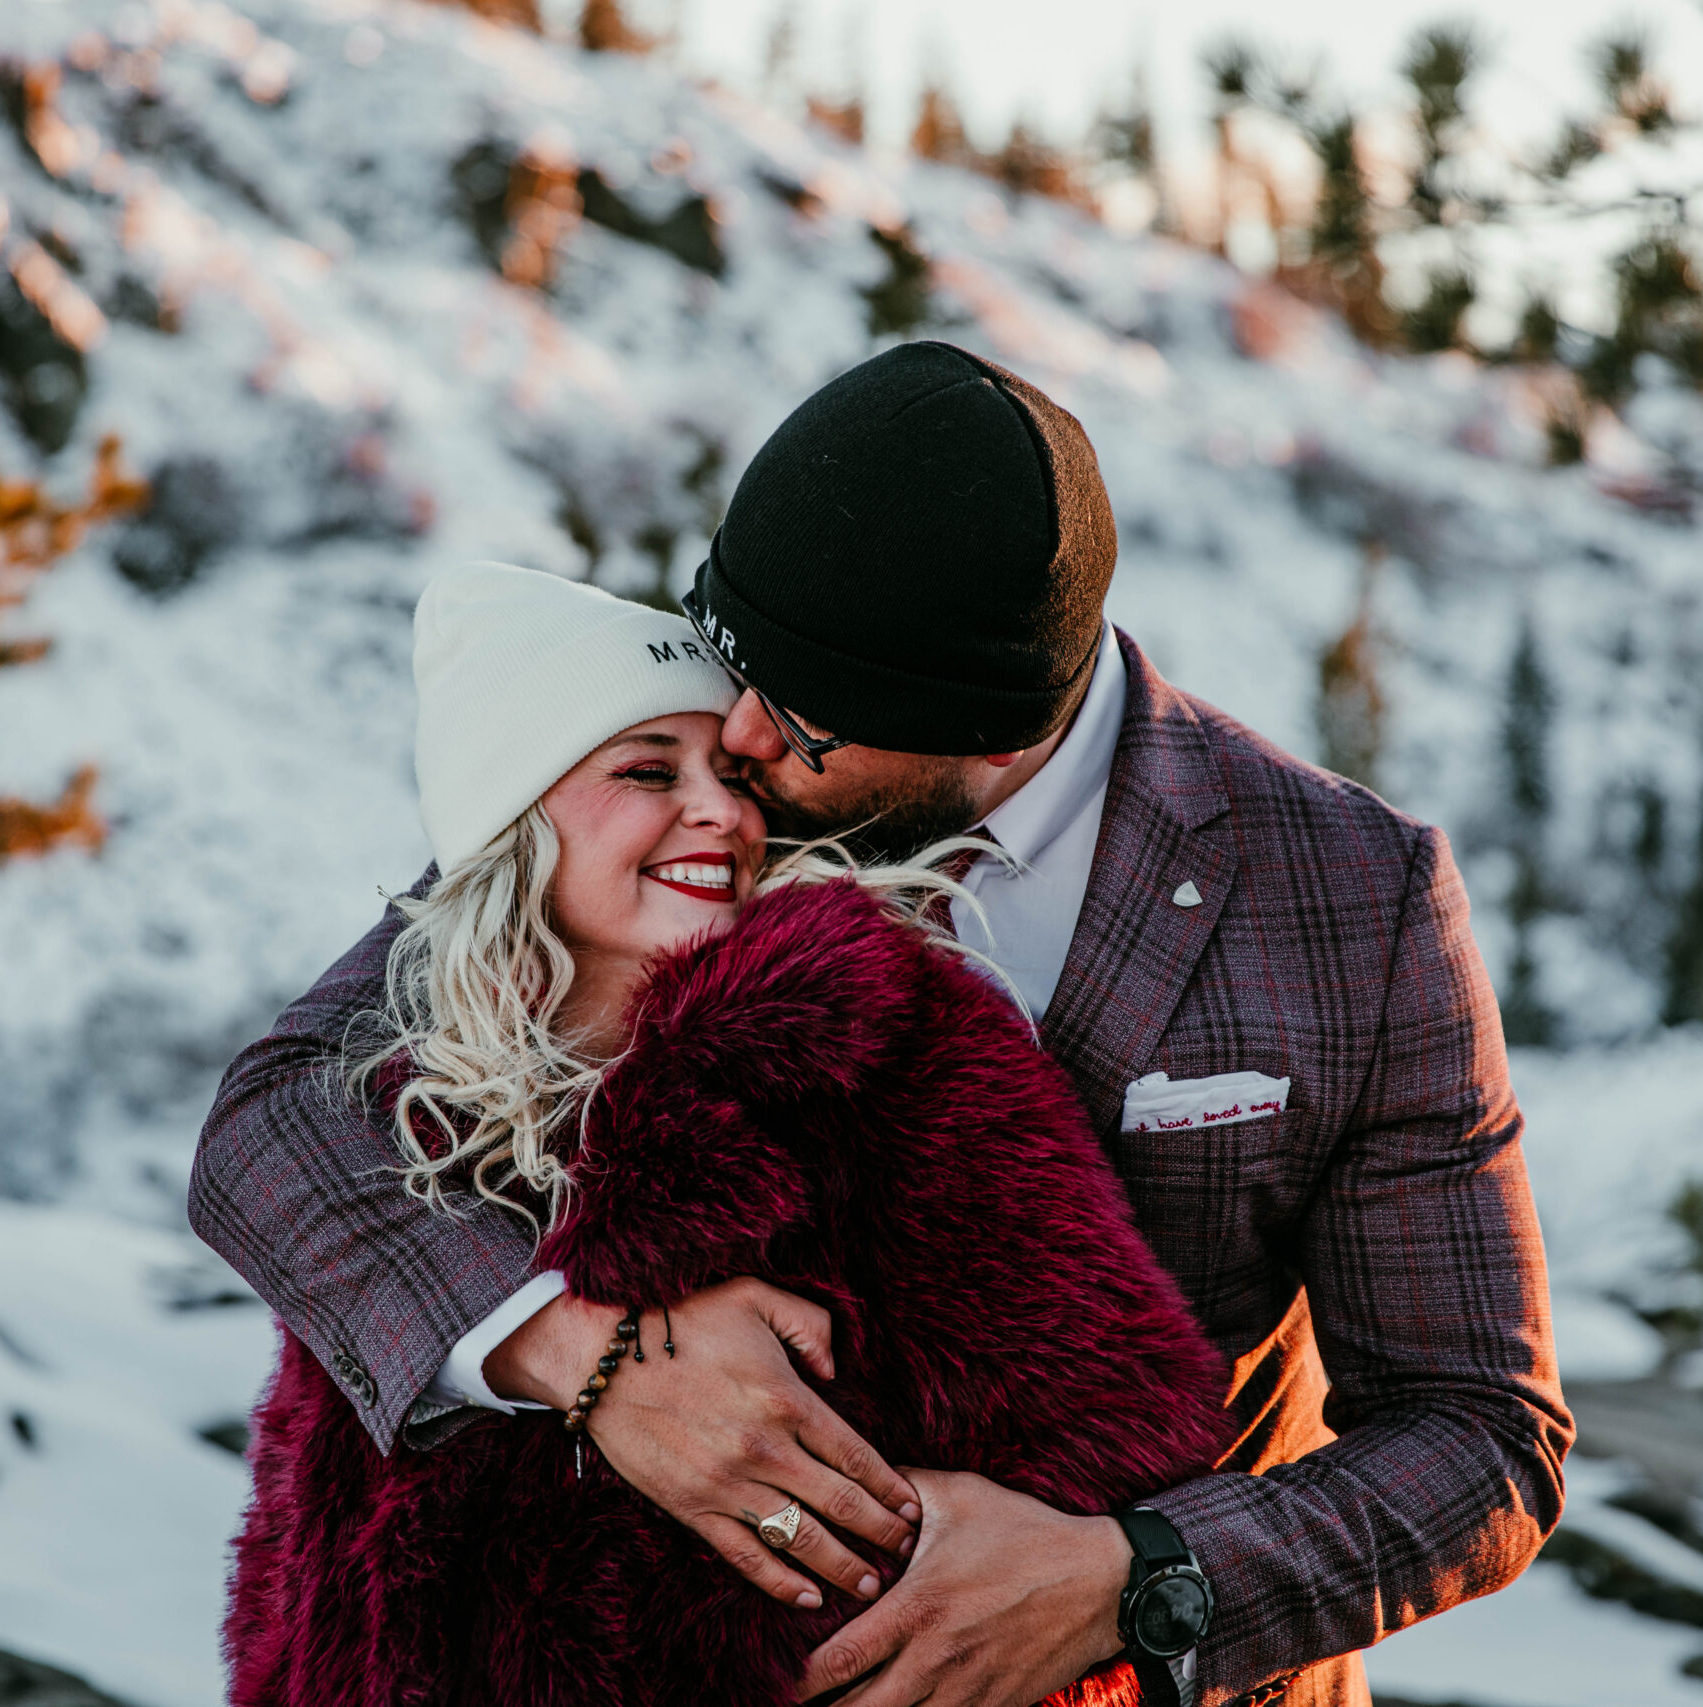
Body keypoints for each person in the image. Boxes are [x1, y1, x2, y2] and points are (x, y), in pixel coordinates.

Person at [193, 342, 1573, 1707]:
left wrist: (1132, 1576)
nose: (733, 735)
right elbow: (279, 1116)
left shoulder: (1349, 894)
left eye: (790, 718)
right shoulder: (709, 803)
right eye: (727, 654)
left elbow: (1483, 1435)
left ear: (981, 737)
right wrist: (587, 1357)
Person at [222, 560, 1235, 1707]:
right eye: (649, 771)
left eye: (734, 774)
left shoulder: (882, 1053)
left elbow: (1119, 1429)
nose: (720, 811)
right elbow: (306, 1543)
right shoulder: (399, 1114)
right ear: (514, 823)